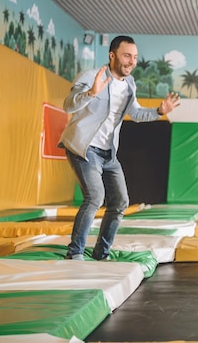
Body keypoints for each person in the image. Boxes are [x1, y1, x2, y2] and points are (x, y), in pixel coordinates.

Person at [59, 35, 180, 261]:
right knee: (95, 196)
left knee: (120, 201)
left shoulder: (130, 85)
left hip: (108, 153)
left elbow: (135, 114)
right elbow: (68, 105)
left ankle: (101, 253)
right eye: (126, 56)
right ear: (112, 55)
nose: (131, 61)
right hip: (84, 148)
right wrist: (91, 93)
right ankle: (75, 252)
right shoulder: (91, 76)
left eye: (134, 57)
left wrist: (159, 111)